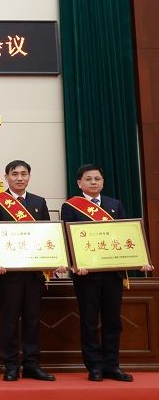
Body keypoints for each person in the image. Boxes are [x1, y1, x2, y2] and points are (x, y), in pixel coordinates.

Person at [60, 163, 152, 382]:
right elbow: (66, 237)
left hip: (112, 274)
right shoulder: (71, 206)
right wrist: (74, 263)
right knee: (89, 321)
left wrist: (139, 260)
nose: (93, 182)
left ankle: (112, 365)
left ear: (103, 182)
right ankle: (94, 366)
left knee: (113, 321)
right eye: (88, 179)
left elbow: (125, 235)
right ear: (79, 183)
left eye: (97, 179)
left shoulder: (114, 204)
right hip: (86, 275)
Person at [0, 159, 55, 382]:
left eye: (24, 174)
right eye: (15, 174)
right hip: (8, 274)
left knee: (33, 320)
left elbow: (48, 234)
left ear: (29, 176)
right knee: (10, 320)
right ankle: (11, 365)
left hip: (34, 273)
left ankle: (32, 364)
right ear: (7, 177)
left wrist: (54, 260)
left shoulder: (39, 202)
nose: (20, 178)